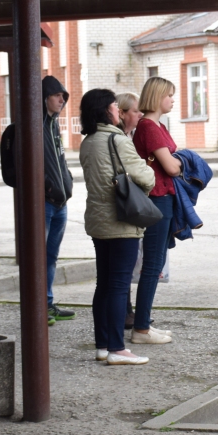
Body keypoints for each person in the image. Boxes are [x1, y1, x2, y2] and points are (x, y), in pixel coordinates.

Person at [78, 89, 156, 365]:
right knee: (119, 286)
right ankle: (116, 348)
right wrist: (149, 173)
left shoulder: (87, 141)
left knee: (105, 284)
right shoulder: (116, 139)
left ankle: (102, 345)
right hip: (121, 220)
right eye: (114, 105)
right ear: (106, 110)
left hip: (98, 221)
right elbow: (145, 176)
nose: (117, 110)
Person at [131, 77, 181, 345]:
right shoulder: (149, 126)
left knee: (157, 262)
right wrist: (183, 164)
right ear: (158, 95)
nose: (173, 99)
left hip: (164, 197)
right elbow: (171, 167)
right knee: (152, 264)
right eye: (170, 95)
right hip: (157, 198)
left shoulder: (157, 124)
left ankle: (144, 324)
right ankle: (140, 329)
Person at [42, 76, 76, 325]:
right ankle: (39, 306)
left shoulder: (54, 125)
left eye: (64, 96)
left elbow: (60, 160)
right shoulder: (34, 125)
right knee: (39, 255)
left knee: (51, 256)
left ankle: (48, 303)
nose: (62, 100)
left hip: (60, 202)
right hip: (43, 202)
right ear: (44, 97)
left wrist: (68, 182)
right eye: (57, 95)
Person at [116, 92, 141, 330]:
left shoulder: (130, 135)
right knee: (121, 266)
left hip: (129, 206)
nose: (139, 114)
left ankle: (128, 311)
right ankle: (123, 314)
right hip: (122, 206)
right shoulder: (118, 139)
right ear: (122, 113)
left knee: (128, 264)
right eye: (135, 110)